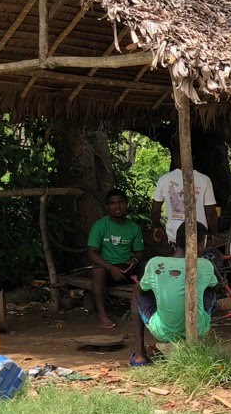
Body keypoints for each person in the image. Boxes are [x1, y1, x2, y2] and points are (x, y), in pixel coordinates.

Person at [130, 223, 220, 366]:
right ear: (198, 244)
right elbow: (215, 288)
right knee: (209, 290)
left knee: (136, 295)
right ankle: (193, 342)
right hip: (197, 329)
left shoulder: (155, 263)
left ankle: (140, 356)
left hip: (164, 331)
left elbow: (139, 291)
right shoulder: (205, 265)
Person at [86, 189, 145, 329]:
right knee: (97, 272)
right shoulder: (99, 226)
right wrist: (111, 268)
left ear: (126, 204)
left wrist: (134, 261)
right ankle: (102, 316)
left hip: (126, 267)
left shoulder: (134, 228)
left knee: (149, 267)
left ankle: (147, 312)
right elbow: (92, 253)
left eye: (120, 202)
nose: (117, 207)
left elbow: (139, 253)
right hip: (107, 267)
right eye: (112, 203)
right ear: (107, 207)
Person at [151, 154, 219, 247]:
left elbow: (155, 210)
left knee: (177, 258)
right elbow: (210, 212)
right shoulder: (203, 179)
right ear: (193, 157)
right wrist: (215, 234)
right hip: (199, 237)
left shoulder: (164, 180)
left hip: (174, 236)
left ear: (175, 158)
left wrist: (157, 226)